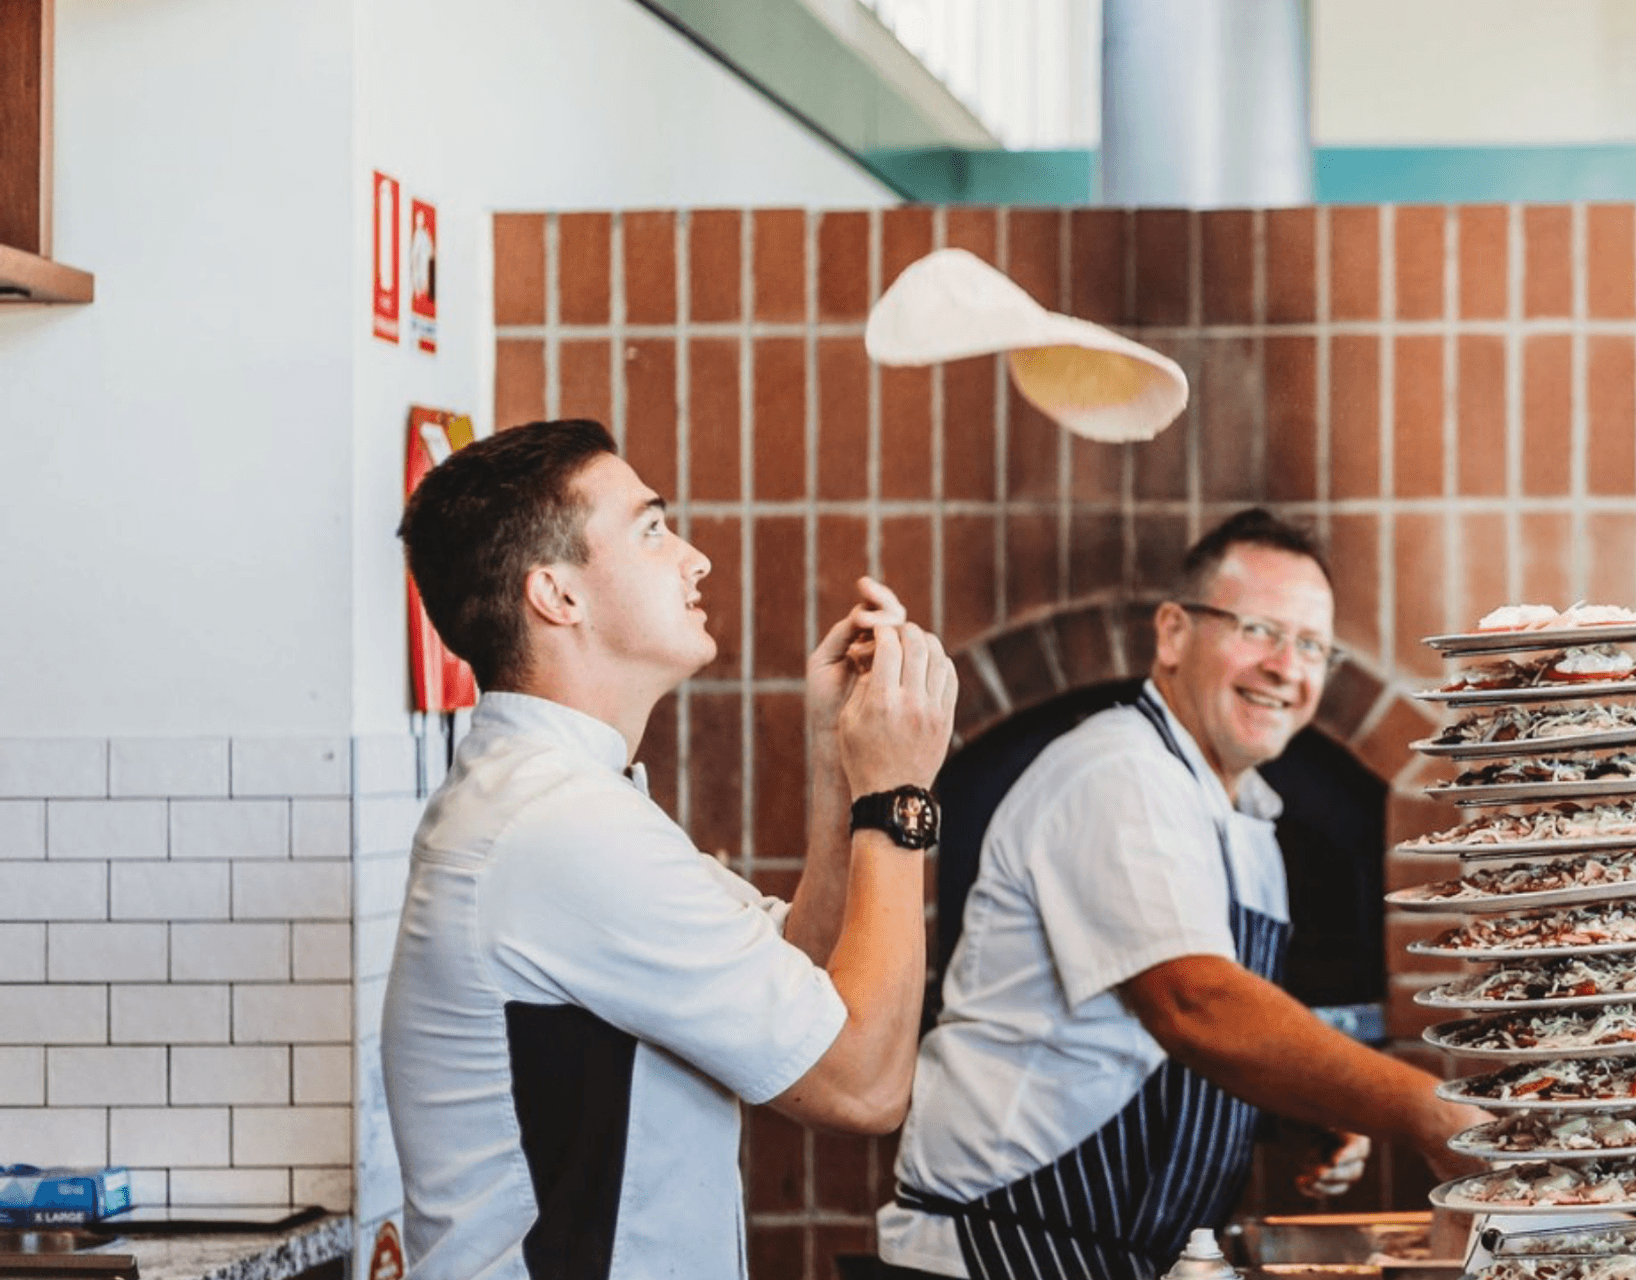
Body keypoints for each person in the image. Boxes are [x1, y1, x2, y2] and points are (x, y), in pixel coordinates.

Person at [382, 418, 957, 1280]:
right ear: (557, 596)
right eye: (652, 530)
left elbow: (797, 974)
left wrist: (842, 765)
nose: (696, 559)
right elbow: (864, 1085)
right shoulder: (558, 830)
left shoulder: (562, 802)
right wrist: (897, 796)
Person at [876, 508, 1485, 1280]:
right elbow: (1196, 1006)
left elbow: (1138, 1046)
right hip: (1003, 1244)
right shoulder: (1120, 770)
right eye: (1259, 629)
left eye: (1310, 647)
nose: (1285, 667)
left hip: (1122, 1252)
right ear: (1172, 633)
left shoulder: (1246, 814)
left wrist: (1298, 1104)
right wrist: (1427, 1109)